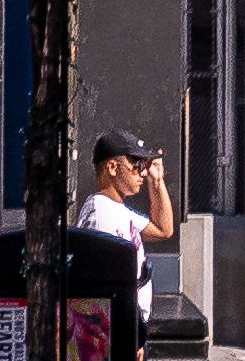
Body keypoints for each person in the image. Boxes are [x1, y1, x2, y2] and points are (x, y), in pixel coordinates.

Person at [74, 130, 176, 316]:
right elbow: (102, 287)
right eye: (136, 165)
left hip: (129, 327)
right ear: (113, 168)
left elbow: (163, 230)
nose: (143, 173)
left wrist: (157, 180)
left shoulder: (116, 208)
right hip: (117, 329)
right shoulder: (102, 212)